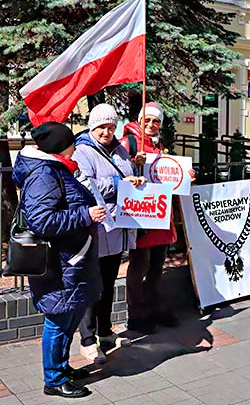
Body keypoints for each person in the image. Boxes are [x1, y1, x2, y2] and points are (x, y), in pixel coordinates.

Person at [12, 122, 106, 398]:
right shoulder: (44, 174)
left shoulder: (56, 170)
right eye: (72, 144)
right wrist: (85, 216)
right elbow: (41, 221)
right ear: (61, 146)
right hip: (60, 263)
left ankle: (62, 367)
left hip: (71, 261)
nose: (76, 149)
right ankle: (53, 379)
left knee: (68, 316)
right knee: (58, 320)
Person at [74, 104, 145, 363]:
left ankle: (105, 331)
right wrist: (119, 183)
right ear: (93, 126)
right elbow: (84, 186)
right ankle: (87, 339)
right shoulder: (82, 151)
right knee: (93, 286)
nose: (107, 131)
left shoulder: (120, 150)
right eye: (102, 126)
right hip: (97, 229)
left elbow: (128, 178)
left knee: (109, 282)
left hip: (117, 228)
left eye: (111, 126)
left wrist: (137, 172)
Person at [121, 102, 192, 332]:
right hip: (142, 214)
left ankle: (155, 309)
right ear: (139, 120)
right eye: (147, 120)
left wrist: (185, 175)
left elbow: (168, 175)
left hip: (160, 214)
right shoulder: (128, 142)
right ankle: (136, 315)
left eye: (155, 121)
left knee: (156, 267)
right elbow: (117, 172)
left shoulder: (159, 144)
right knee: (139, 265)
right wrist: (133, 164)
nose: (151, 125)